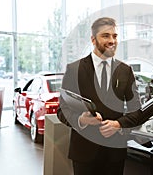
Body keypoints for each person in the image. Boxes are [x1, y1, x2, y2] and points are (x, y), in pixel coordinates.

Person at [57, 17, 142, 175]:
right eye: (105, 36)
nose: (112, 40)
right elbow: (62, 110)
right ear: (93, 39)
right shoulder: (74, 69)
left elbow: (136, 110)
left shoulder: (125, 70)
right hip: (83, 152)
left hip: (114, 153)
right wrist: (81, 120)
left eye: (114, 36)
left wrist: (118, 124)